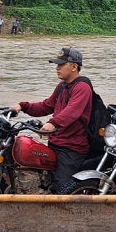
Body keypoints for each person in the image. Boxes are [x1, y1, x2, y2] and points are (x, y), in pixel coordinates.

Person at [11, 47, 93, 193]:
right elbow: (46, 106)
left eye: (61, 64)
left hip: (72, 148)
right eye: (57, 64)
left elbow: (72, 112)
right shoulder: (62, 86)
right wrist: (22, 106)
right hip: (56, 143)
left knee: (63, 189)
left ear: (74, 67)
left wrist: (53, 123)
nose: (57, 68)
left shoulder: (82, 87)